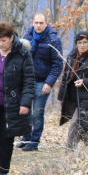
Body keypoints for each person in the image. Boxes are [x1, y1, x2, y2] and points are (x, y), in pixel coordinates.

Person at [0, 22, 35, 175]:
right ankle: (0, 160)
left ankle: (3, 169)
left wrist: (25, 103)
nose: (1, 43)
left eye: (4, 40)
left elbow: (29, 80)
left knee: (6, 135)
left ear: (12, 38)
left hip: (11, 102)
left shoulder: (22, 54)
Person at [18, 13, 63, 151]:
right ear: (33, 23)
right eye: (36, 23)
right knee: (25, 110)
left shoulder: (53, 40)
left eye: (41, 23)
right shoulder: (27, 37)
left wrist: (49, 83)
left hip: (42, 81)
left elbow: (57, 64)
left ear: (46, 23)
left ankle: (34, 141)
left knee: (37, 112)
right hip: (26, 80)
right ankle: (25, 138)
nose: (38, 25)